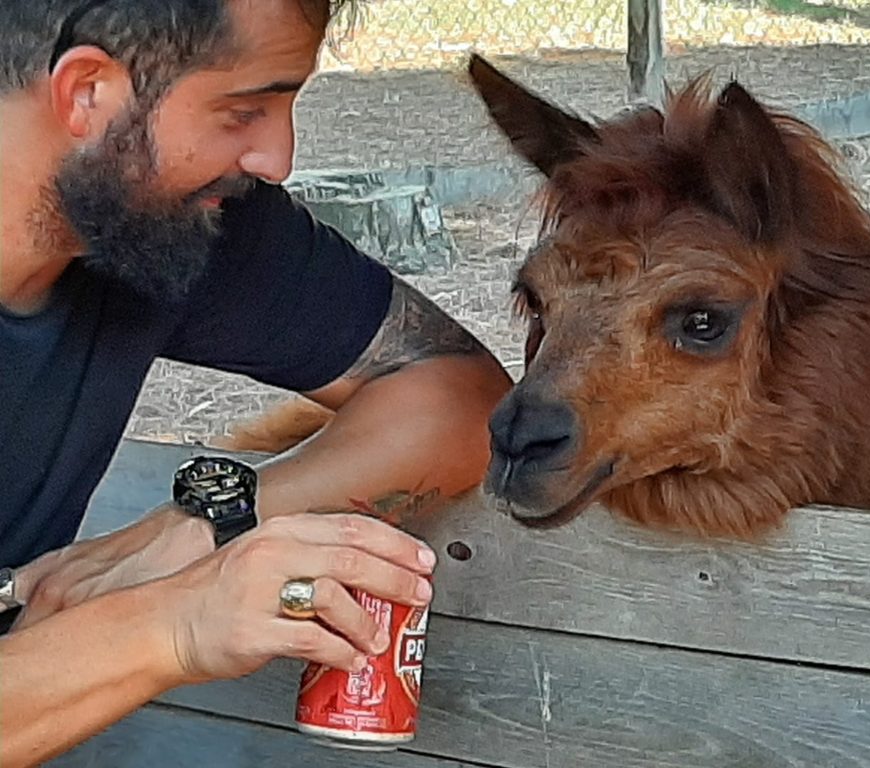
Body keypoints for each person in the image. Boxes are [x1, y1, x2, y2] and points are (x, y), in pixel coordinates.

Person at [0, 1, 512, 765]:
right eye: (244, 111)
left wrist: (215, 525)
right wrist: (170, 623)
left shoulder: (173, 219)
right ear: (87, 92)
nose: (278, 157)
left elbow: (461, 400)